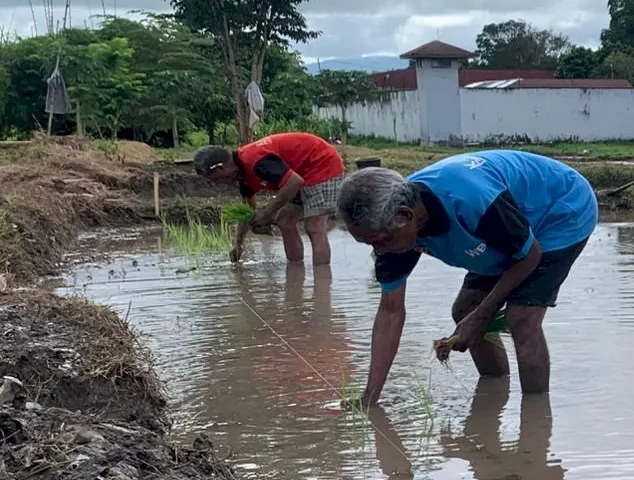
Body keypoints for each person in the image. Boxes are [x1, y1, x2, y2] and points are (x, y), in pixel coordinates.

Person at [336, 149, 597, 406]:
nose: (379, 252)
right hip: (504, 230)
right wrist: (369, 397)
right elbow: (390, 312)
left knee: (522, 319)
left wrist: (482, 315)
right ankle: (495, 388)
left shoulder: (471, 200)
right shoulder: (390, 229)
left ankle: (536, 420)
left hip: (560, 209)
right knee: (464, 310)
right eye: (369, 244)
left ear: (406, 216)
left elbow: (529, 255)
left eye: (381, 241)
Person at [192, 132, 347, 267]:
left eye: (215, 179)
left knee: (314, 226)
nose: (218, 183)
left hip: (321, 163)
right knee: (285, 221)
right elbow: (248, 210)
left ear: (220, 168)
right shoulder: (242, 176)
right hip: (300, 173)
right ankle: (295, 273)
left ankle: (322, 284)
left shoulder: (256, 160)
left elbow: (294, 182)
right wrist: (238, 244)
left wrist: (266, 215)